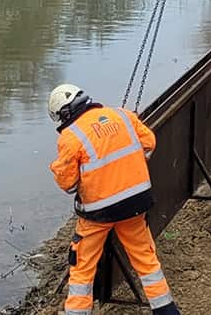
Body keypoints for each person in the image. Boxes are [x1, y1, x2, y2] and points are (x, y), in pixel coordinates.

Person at [47, 84, 181, 315]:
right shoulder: (122, 115)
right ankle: (166, 310)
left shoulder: (71, 136)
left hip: (97, 214)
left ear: (64, 113)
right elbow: (148, 143)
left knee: (82, 268)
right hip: (135, 204)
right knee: (145, 259)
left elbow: (67, 183)